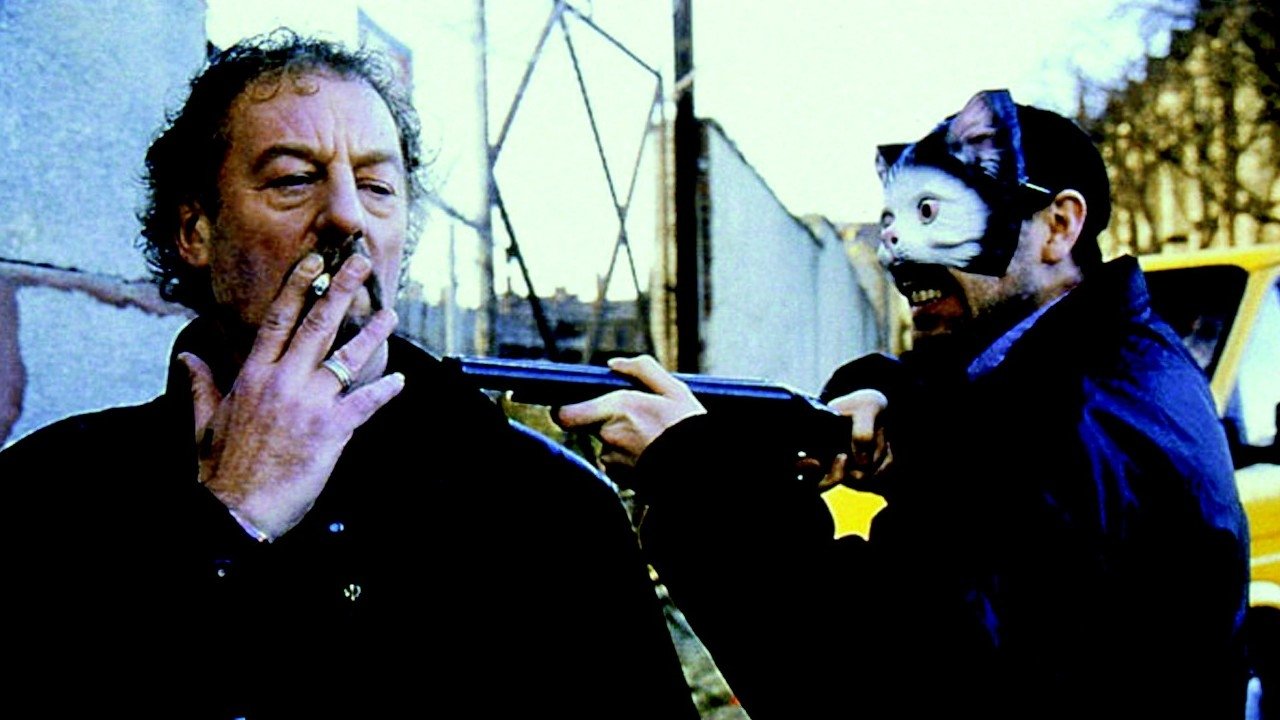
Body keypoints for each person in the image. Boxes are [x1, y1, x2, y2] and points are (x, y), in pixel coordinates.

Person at [0, 30, 698, 719]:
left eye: (376, 186)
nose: (346, 215)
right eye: (293, 179)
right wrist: (225, 523)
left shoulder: (548, 509)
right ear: (196, 230)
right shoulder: (50, 493)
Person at [558, 90, 1250, 719]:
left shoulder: (1072, 427)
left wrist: (692, 474)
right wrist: (891, 402)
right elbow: (980, 417)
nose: (903, 260)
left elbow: (862, 679)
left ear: (1057, 226)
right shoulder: (1111, 366)